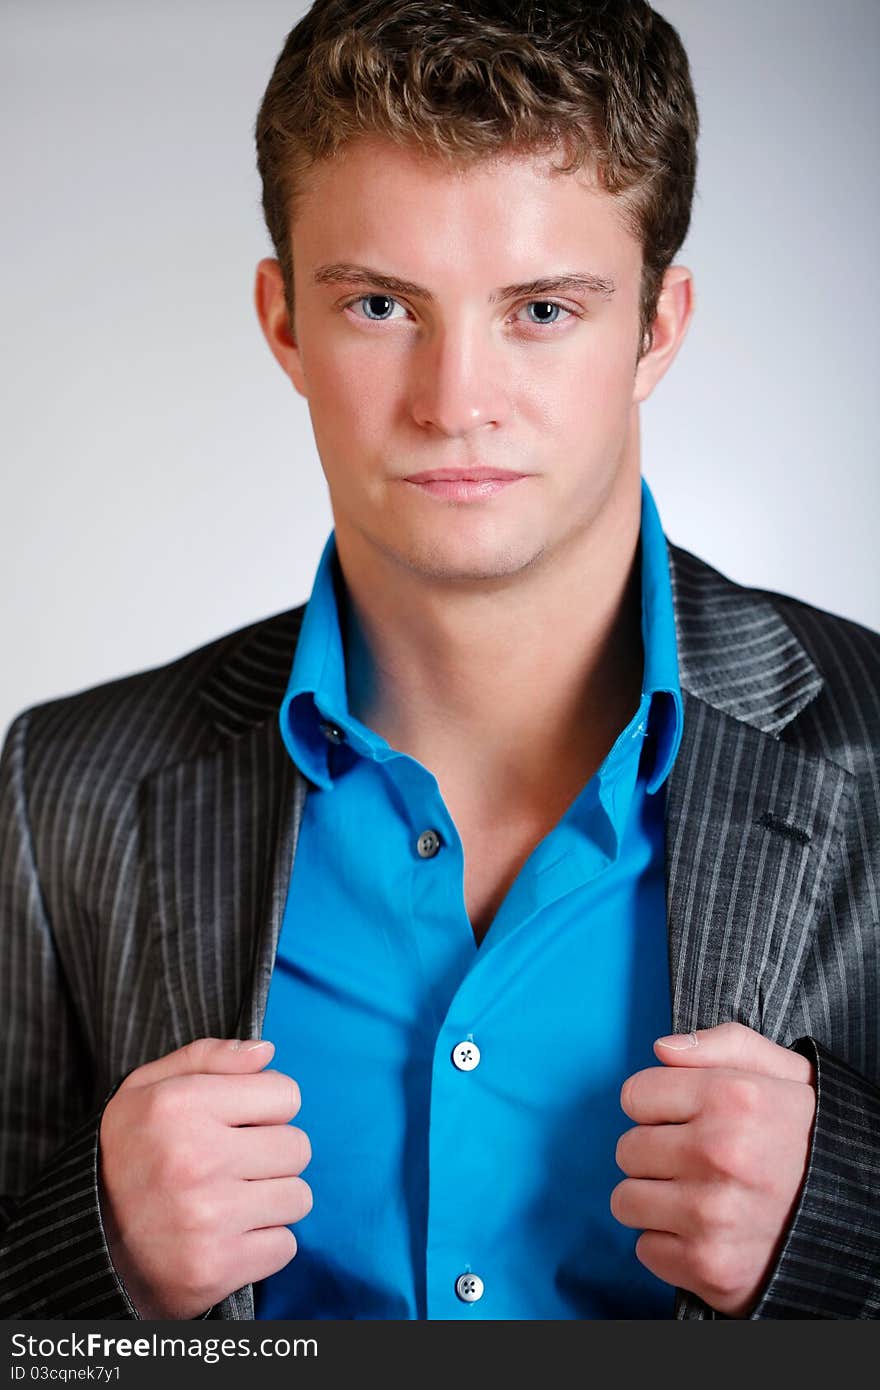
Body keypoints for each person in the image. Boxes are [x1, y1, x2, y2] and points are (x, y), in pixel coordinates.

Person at [1, 0, 878, 1323]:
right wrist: (97, 1251)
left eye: (539, 308)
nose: (454, 396)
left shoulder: (875, 755)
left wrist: (843, 1223)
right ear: (284, 321)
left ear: (657, 325)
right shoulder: (61, 789)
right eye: (377, 303)